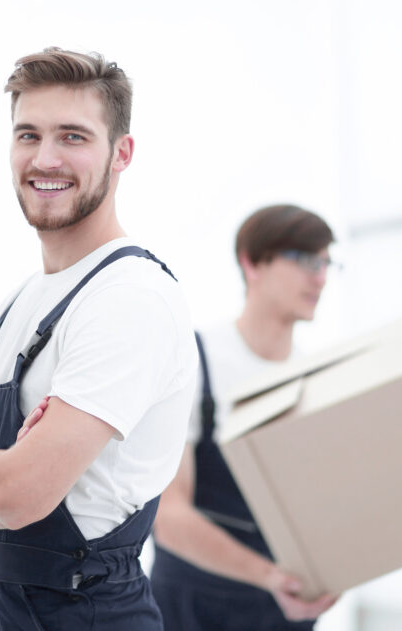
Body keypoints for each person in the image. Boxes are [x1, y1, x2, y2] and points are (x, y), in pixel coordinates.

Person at [0, 48, 197, 631]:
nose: (45, 158)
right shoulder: (13, 306)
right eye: (28, 135)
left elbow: (18, 494)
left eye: (72, 136)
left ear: (122, 154)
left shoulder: (129, 298)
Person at [150, 204, 340, 630]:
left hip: (285, 611)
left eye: (327, 263)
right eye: (305, 260)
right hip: (193, 606)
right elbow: (170, 519)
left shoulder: (315, 379)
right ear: (252, 263)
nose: (320, 277)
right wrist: (269, 576)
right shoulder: (195, 363)